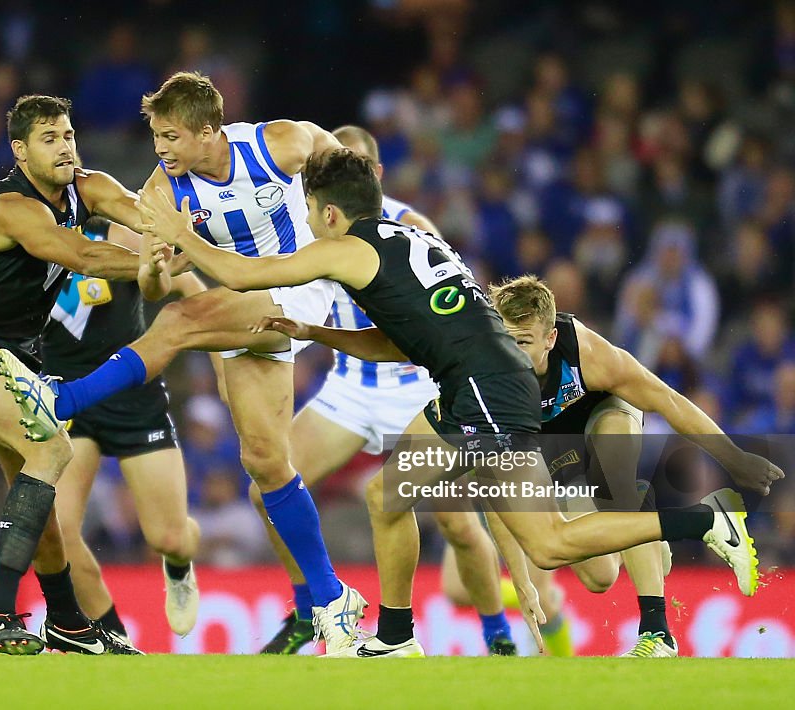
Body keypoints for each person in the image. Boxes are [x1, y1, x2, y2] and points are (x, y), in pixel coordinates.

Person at [137, 148, 779, 658]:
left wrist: (176, 234)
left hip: (484, 393)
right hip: (474, 384)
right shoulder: (402, 241)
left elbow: (247, 274)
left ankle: (706, 524)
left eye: (309, 208)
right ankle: (394, 636)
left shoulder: (347, 246)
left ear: (330, 212)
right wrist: (315, 334)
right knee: (386, 498)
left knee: (551, 547)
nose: (305, 220)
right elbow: (398, 341)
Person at [0, 71, 369, 654]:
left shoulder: (279, 144)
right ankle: (330, 601)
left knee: (178, 323)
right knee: (266, 461)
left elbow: (342, 162)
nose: (161, 149)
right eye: (155, 138)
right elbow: (153, 284)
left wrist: (347, 227)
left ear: (208, 131)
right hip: (242, 311)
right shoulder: (161, 192)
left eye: (171, 136)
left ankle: (63, 399)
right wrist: (152, 266)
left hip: (299, 286)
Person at [0, 94, 174, 655]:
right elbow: (79, 255)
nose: (65, 147)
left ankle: (65, 621)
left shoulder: (86, 186)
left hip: (16, 352)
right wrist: (151, 265)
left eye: (69, 134)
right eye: (50, 139)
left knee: (33, 486)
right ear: (20, 150)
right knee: (52, 452)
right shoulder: (12, 208)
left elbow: (146, 213)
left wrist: (190, 239)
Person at [253, 125, 516, 657]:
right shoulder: (315, 218)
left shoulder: (408, 225)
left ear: (375, 172)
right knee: (268, 487)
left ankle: (499, 638)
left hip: (415, 385)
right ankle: (312, 608)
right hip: (351, 388)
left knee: (457, 523)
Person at [443, 275, 688, 657]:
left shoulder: (583, 349)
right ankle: (645, 533)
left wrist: (732, 454)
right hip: (558, 454)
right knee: (600, 577)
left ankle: (657, 634)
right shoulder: (485, 386)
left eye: (524, 341)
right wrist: (521, 583)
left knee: (617, 483)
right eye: (506, 340)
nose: (514, 351)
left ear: (549, 338)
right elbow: (494, 493)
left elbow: (664, 397)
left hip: (604, 411)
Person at [44, 214, 208, 647]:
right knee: (57, 533)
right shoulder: (27, 244)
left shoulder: (117, 236)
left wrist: (221, 363)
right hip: (67, 404)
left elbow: (186, 286)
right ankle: (112, 637)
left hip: (133, 397)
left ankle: (179, 568)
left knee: (168, 537)